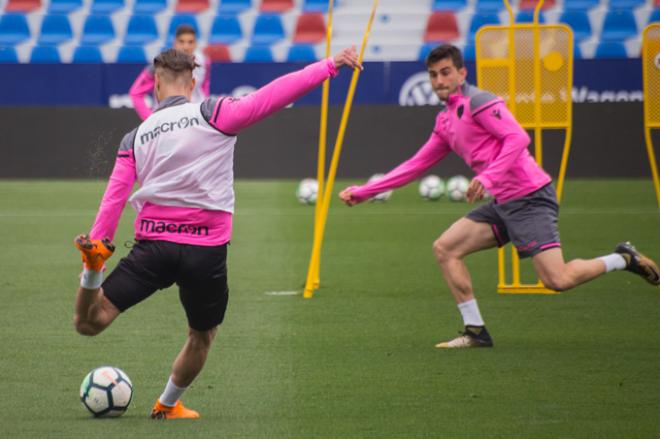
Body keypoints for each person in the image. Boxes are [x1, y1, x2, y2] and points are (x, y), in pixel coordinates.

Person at [74, 47, 360, 419]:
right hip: (205, 253)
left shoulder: (136, 135)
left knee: (89, 322)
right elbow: (273, 95)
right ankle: (167, 404)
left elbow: (114, 196)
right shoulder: (214, 113)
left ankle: (91, 270)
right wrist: (328, 66)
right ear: (192, 83)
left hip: (154, 248)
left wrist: (99, 242)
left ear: (156, 84)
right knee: (202, 335)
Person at [339, 44, 660, 349]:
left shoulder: (479, 101)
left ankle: (622, 259)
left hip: (531, 197)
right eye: (434, 75)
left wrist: (487, 177)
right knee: (445, 249)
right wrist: (366, 192)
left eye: (446, 72)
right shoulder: (446, 120)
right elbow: (415, 165)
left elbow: (518, 138)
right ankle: (475, 331)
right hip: (504, 203)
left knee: (557, 280)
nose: (439, 80)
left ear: (461, 74)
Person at [129, 25, 211, 120]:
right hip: (166, 120)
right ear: (174, 43)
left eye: (190, 42)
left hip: (195, 118)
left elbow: (204, 87)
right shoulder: (160, 64)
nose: (186, 46)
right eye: (181, 42)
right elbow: (136, 93)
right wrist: (150, 119)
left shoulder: (204, 62)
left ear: (195, 44)